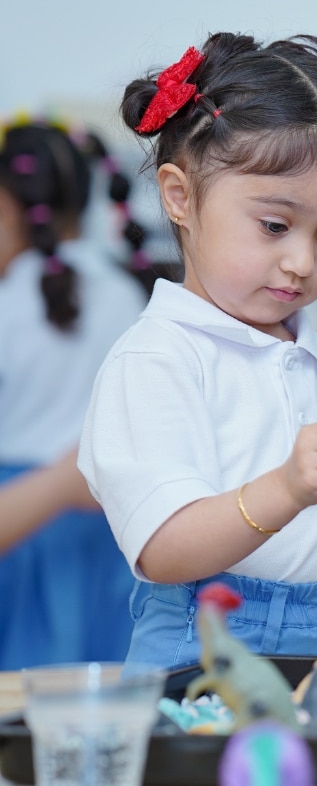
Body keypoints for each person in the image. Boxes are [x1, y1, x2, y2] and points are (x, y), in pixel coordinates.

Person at [78, 31, 317, 670]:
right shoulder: (156, 359)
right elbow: (162, 550)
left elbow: (304, 549)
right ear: (180, 197)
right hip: (210, 641)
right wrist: (287, 486)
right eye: (274, 226)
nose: (302, 261)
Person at [0, 119, 153, 668]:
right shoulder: (129, 293)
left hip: (21, 526)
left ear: (11, 208)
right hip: (115, 534)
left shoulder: (9, 301)